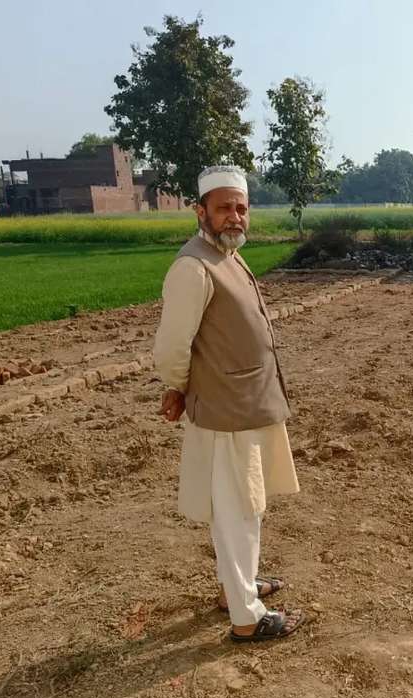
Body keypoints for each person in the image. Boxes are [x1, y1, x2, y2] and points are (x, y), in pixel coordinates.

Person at [153, 165, 307, 642]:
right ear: (200, 211)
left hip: (248, 403)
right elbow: (172, 345)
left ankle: (236, 587)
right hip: (227, 409)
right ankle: (246, 617)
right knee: (237, 510)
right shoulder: (193, 267)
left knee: (245, 505)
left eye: (241, 208)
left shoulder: (228, 256)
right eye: (224, 208)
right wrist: (177, 386)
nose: (235, 216)